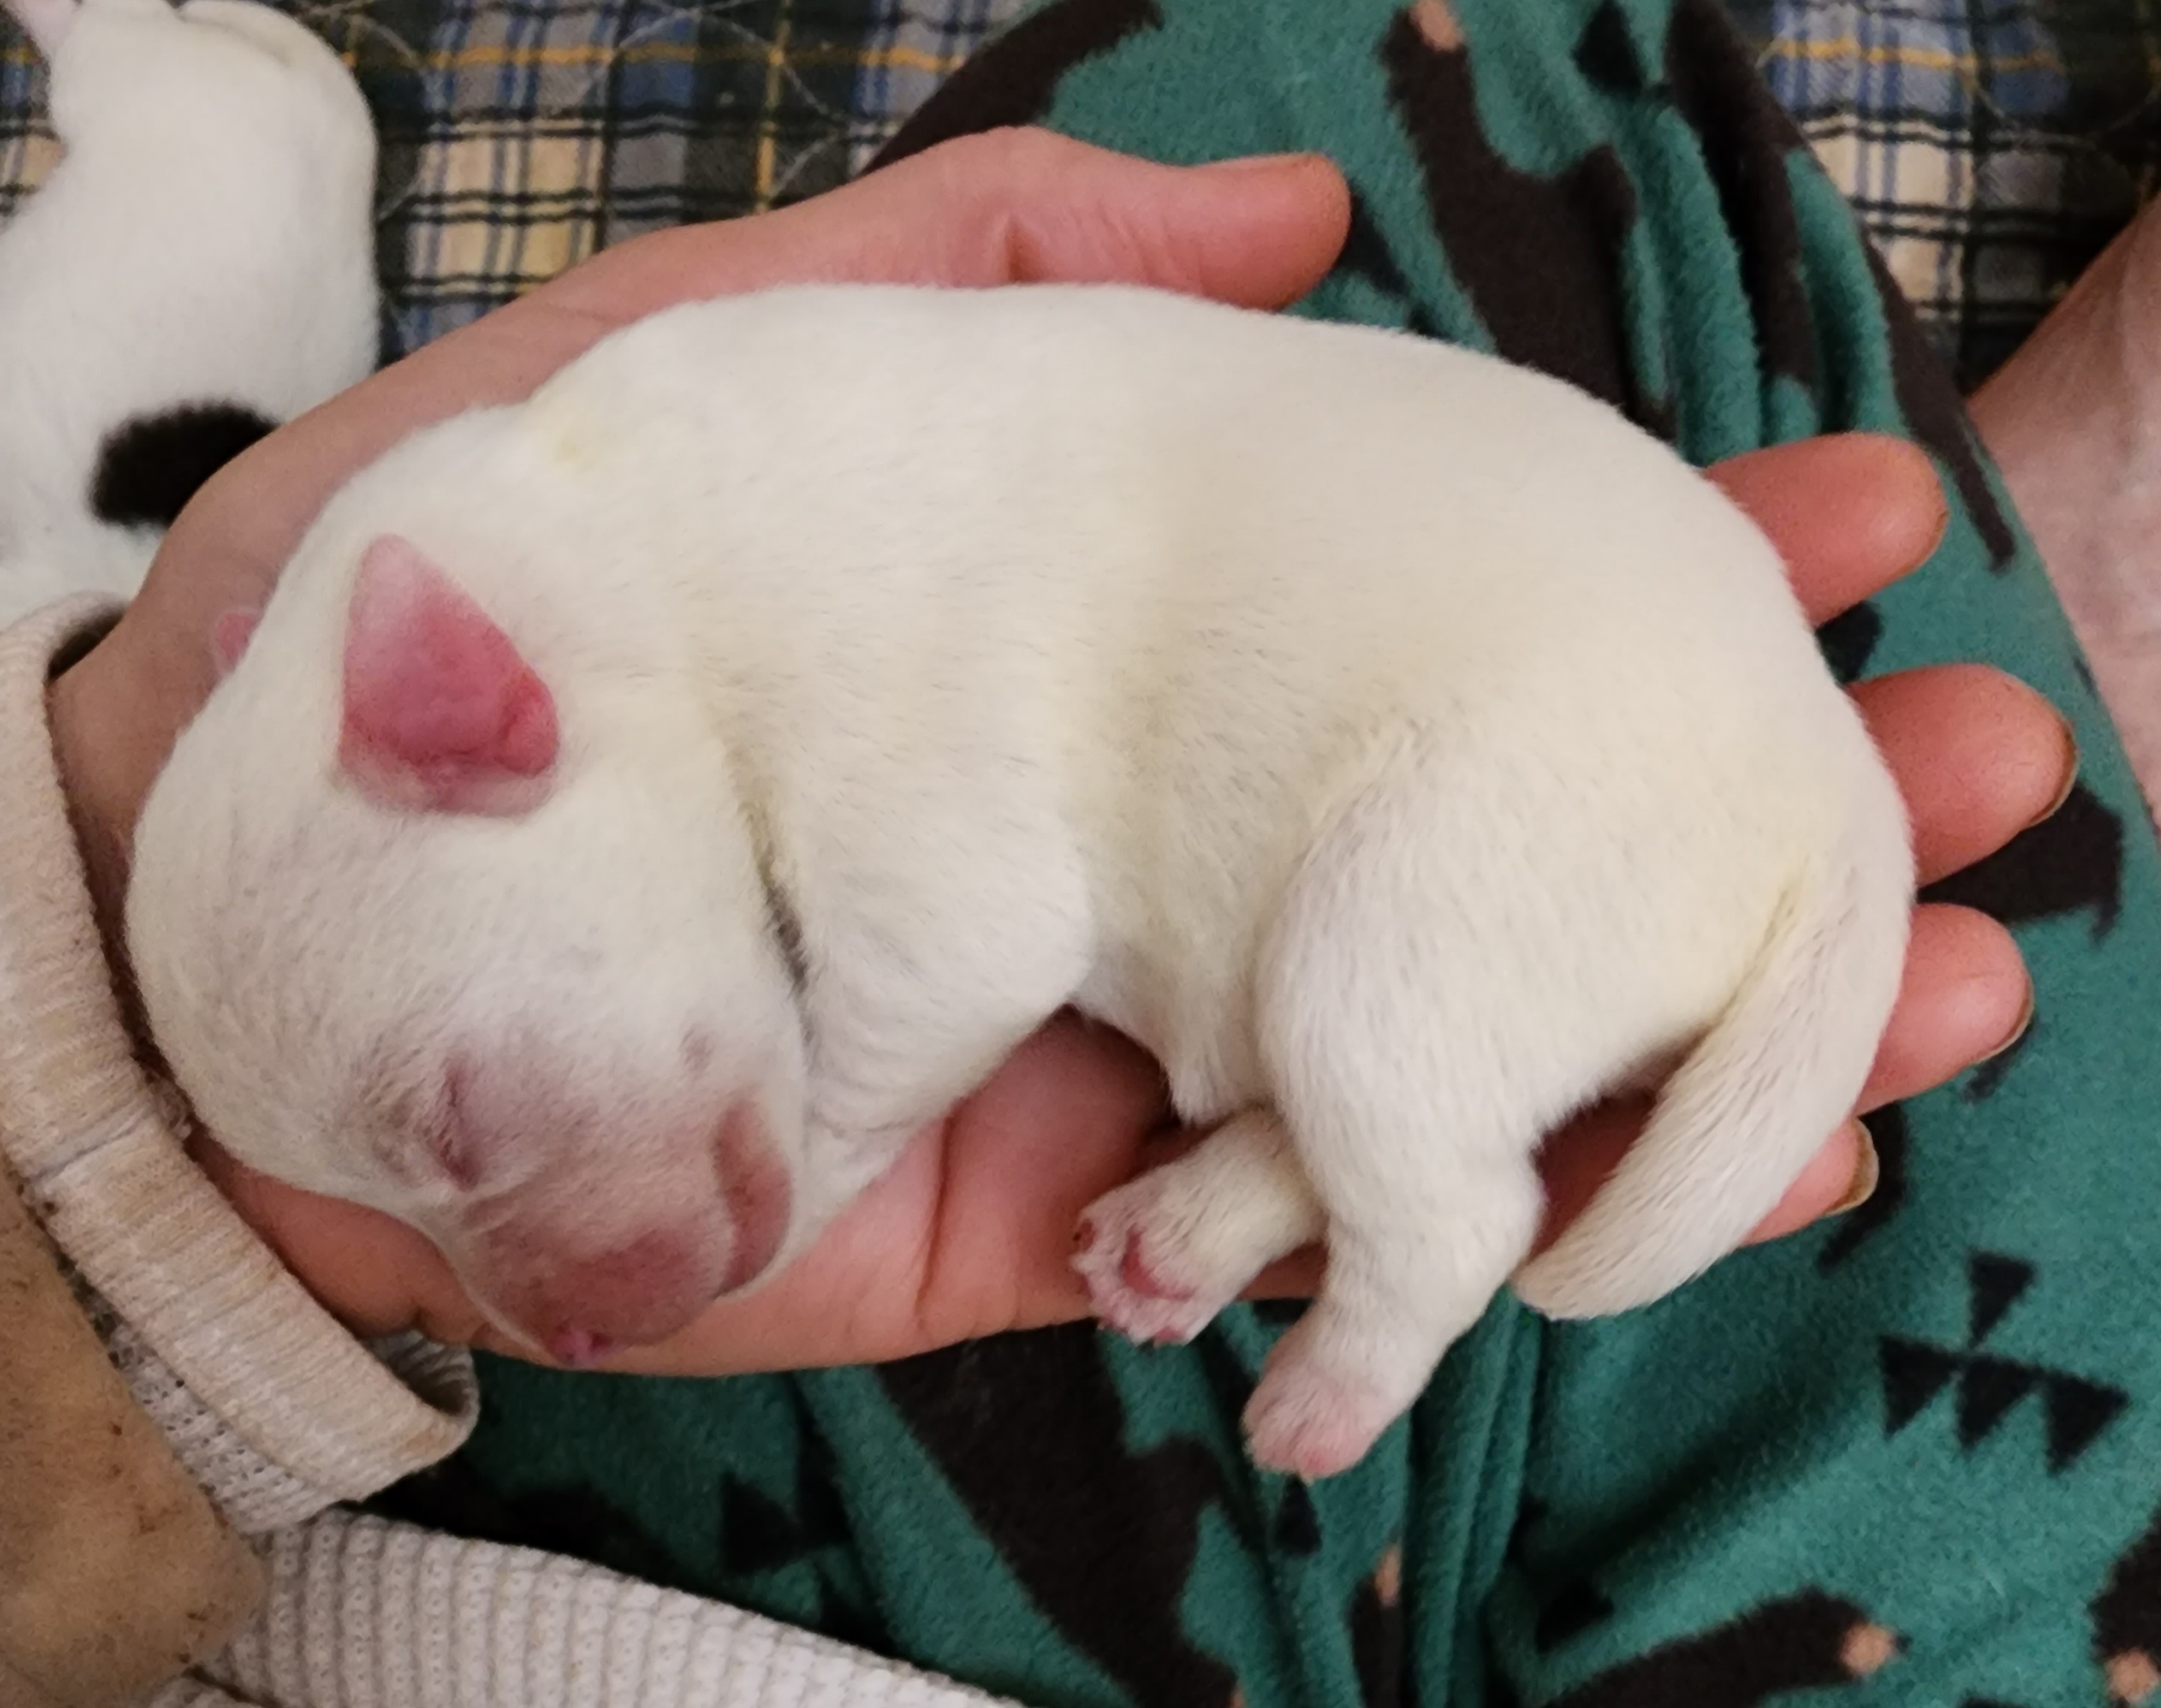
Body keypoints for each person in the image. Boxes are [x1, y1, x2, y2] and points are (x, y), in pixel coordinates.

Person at [0, 1, 2136, 1703]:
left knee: (1386, 1002)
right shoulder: (680, 555)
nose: (515, 1308)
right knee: (1471, 70)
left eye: (456, 1133)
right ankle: (2042, 614)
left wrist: (828, 1139)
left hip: (1513, 736)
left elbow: (985, 918)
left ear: (475, 710)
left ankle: (1423, 1245)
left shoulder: (826, 602)